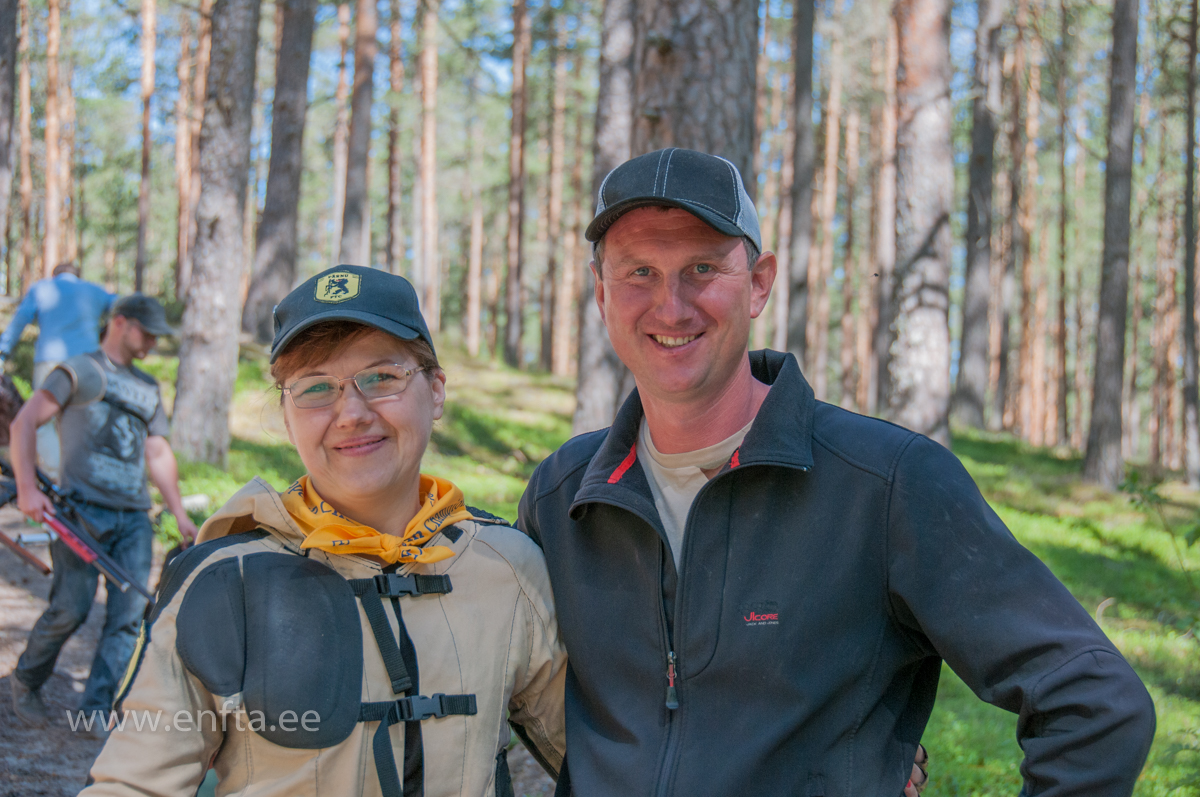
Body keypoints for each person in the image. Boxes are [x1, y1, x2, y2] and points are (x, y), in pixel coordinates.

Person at [518, 148, 1157, 796]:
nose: (671, 305)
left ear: (760, 281)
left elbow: (1095, 703)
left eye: (702, 268)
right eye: (639, 272)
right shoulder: (563, 498)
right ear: (601, 293)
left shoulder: (885, 485)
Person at [80, 266, 565, 797]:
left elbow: (608, 757)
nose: (351, 413)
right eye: (315, 388)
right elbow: (132, 784)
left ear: (436, 390)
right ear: (288, 417)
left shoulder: (509, 568)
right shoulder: (223, 583)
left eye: (381, 377)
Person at [8, 293, 198, 733]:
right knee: (70, 609)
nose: (152, 341)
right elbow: (23, 423)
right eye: (146, 332)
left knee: (129, 615)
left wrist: (177, 511)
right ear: (120, 323)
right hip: (80, 513)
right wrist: (26, 489)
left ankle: (95, 708)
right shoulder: (78, 371)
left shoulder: (148, 387)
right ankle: (27, 679)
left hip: (133, 516)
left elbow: (156, 450)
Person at [0, 261, 116, 480]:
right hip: (89, 365)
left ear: (55, 275)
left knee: (43, 423)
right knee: (88, 421)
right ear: (77, 275)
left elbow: (20, 320)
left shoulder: (42, 288)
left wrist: (3, 351)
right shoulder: (95, 290)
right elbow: (122, 308)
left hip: (50, 363)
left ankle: (56, 481)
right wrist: (105, 337)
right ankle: (85, 479)